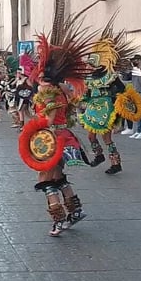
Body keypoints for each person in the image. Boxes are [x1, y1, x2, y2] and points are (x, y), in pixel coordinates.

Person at [19, 21, 97, 237]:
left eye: (40, 77)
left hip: (52, 140)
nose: (37, 80)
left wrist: (32, 124)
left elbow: (50, 120)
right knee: (59, 177)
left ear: (47, 79)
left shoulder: (50, 94)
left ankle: (59, 220)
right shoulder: (61, 91)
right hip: (64, 137)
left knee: (45, 181)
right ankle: (75, 211)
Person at [80, 27, 141, 174]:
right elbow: (87, 94)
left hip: (105, 108)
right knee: (90, 136)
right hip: (92, 108)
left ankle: (116, 163)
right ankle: (99, 155)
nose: (88, 66)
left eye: (90, 64)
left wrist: (122, 104)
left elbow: (122, 91)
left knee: (106, 137)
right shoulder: (89, 78)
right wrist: (81, 101)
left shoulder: (110, 77)